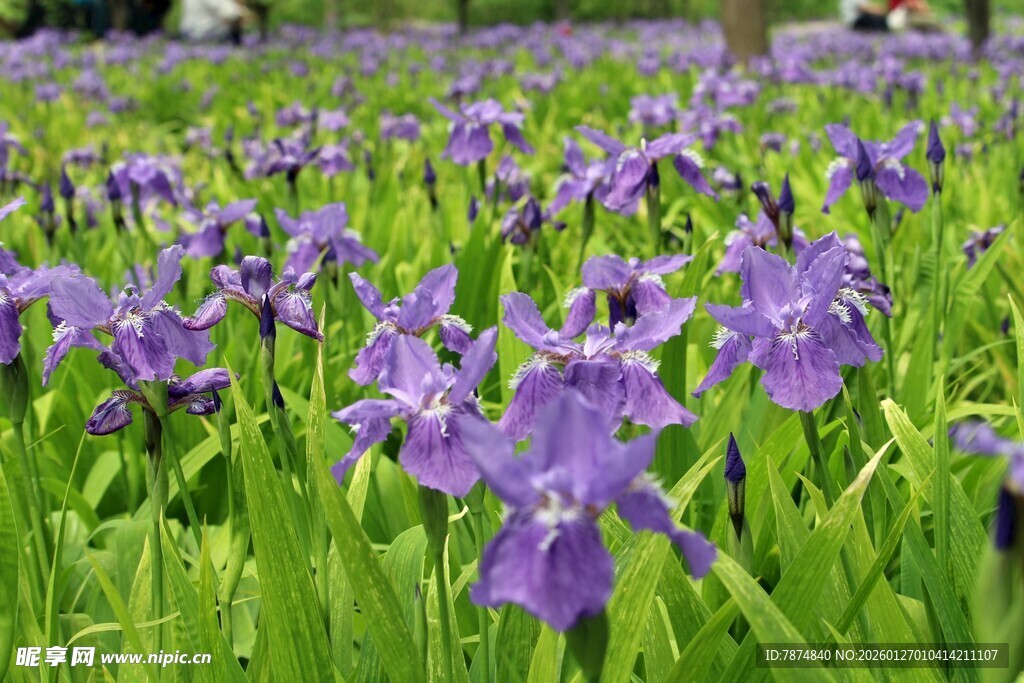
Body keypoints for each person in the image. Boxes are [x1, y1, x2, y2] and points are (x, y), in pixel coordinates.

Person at [840, 0, 907, 32]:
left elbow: (868, 6)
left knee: (877, 18)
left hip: (857, 20)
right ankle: (884, 33)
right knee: (877, 19)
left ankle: (885, 32)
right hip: (854, 22)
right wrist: (880, 10)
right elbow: (865, 8)